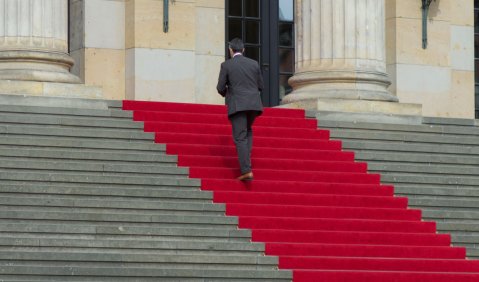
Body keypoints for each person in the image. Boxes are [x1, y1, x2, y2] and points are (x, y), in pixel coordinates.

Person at [216, 38, 264, 181]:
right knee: (247, 131)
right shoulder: (254, 64)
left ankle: (246, 170)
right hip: (254, 105)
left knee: (240, 137)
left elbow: (220, 87)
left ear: (230, 50)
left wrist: (228, 94)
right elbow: (261, 85)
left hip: (238, 104)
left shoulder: (226, 65)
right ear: (243, 50)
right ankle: (246, 162)